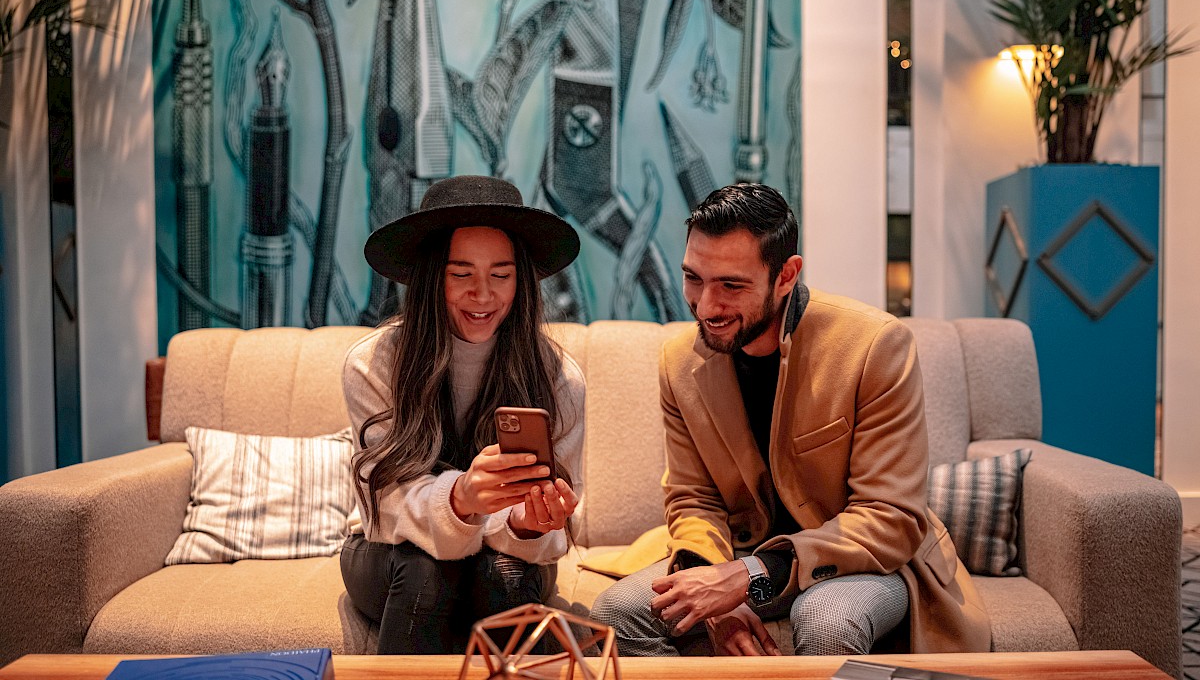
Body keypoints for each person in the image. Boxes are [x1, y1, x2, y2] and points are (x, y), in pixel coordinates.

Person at [588, 183, 990, 657]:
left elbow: (890, 518)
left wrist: (748, 578)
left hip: (860, 559)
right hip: (737, 556)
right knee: (615, 613)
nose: (706, 306)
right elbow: (693, 498)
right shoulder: (680, 360)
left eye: (731, 286)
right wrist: (711, 593)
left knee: (826, 621)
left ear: (786, 276)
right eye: (693, 278)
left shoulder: (875, 345)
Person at [340, 175, 585, 654]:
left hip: (511, 556)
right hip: (389, 555)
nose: (483, 294)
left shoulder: (559, 377)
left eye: (501, 275)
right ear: (432, 277)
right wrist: (460, 499)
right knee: (426, 569)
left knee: (504, 572)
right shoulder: (373, 364)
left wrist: (526, 523)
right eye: (461, 274)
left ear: (521, 280)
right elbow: (383, 511)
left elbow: (556, 527)